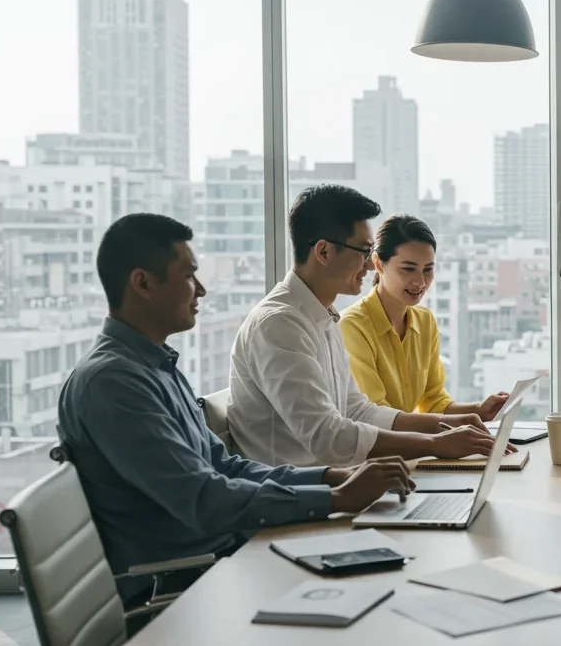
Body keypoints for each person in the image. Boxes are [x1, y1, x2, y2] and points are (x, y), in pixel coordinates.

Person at [58, 213, 412, 606]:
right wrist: (336, 500)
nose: (202, 290)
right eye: (189, 276)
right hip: (184, 579)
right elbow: (203, 498)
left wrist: (330, 478)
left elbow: (225, 467)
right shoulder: (114, 384)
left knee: (386, 560)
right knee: (376, 583)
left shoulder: (154, 365)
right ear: (143, 283)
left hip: (225, 553)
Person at [228, 185, 503, 468]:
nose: (370, 266)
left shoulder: (321, 318)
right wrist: (435, 444)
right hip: (297, 498)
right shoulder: (278, 324)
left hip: (335, 483)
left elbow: (356, 410)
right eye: (363, 251)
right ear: (323, 251)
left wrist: (447, 424)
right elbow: (327, 436)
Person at [340, 215, 510, 419]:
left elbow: (434, 401)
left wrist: (478, 410)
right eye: (408, 269)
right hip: (376, 447)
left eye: (428, 270)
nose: (420, 282)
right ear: (378, 263)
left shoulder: (425, 320)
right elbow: (376, 416)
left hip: (413, 445)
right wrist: (444, 436)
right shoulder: (352, 326)